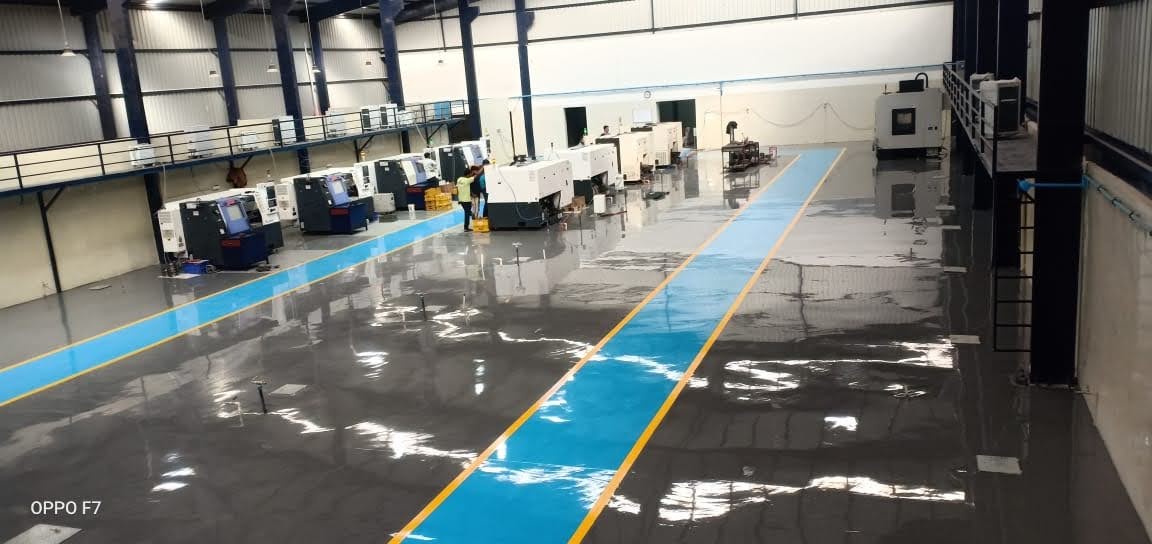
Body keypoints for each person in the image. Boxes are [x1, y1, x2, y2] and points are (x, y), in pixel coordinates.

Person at [456, 166, 481, 232]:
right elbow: (476, 175)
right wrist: (482, 168)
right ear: (468, 174)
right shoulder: (468, 180)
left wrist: (458, 199)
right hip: (467, 200)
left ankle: (472, 215)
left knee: (467, 212)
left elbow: (458, 189)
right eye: (470, 174)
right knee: (467, 213)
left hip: (461, 200)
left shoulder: (459, 179)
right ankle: (466, 227)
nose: (471, 175)